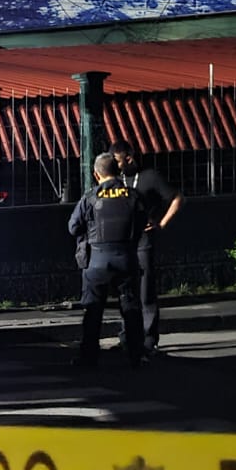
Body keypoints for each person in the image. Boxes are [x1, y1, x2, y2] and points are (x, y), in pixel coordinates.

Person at [68, 152, 146, 368]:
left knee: (93, 311)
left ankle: (89, 357)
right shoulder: (133, 195)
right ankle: (135, 356)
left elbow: (73, 227)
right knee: (131, 308)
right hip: (126, 259)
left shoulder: (91, 197)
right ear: (118, 171)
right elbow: (142, 222)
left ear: (96, 174)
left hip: (96, 262)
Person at [110, 140, 183, 356]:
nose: (116, 166)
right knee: (126, 291)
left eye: (118, 161)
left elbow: (177, 198)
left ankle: (149, 339)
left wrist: (162, 223)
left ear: (129, 158)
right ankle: (127, 337)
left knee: (145, 291)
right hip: (123, 240)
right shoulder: (116, 180)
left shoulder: (150, 177)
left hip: (143, 240)